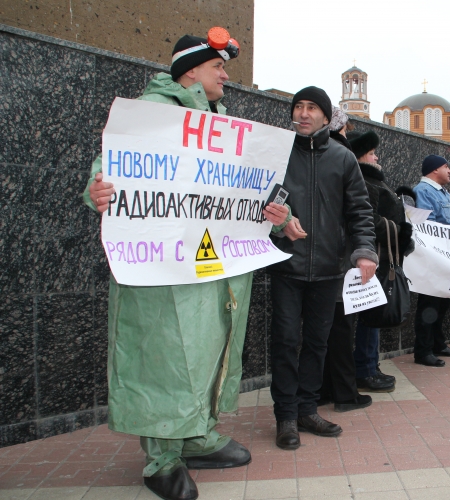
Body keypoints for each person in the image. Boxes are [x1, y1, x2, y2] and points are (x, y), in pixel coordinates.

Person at [84, 31, 292, 500]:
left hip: (215, 275)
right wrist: (96, 191)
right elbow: (109, 168)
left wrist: (280, 217)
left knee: (206, 356)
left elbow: (245, 193)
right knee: (166, 360)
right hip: (164, 276)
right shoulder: (151, 114)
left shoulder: (224, 126)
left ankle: (198, 437)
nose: (225, 76)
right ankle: (162, 459)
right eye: (219, 67)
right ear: (191, 70)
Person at [268, 87, 378, 450]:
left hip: (329, 269)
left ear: (326, 118)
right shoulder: (276, 153)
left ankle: (307, 409)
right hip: (286, 265)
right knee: (285, 342)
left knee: (317, 343)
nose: (303, 113)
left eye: (311, 108)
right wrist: (280, 219)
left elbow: (360, 211)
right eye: (298, 107)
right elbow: (256, 201)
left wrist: (364, 251)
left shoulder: (343, 159)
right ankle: (285, 416)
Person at [316, 108, 376, 413]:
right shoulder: (342, 156)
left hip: (319, 256)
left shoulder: (317, 154)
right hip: (341, 257)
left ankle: (325, 390)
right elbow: (357, 212)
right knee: (341, 329)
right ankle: (345, 393)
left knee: (324, 330)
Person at [349, 130, 416, 392]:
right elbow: (368, 219)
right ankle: (365, 369)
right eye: (372, 152)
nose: (377, 157)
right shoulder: (365, 181)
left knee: (371, 315)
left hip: (379, 258)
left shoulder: (371, 180)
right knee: (370, 315)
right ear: (362, 155)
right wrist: (399, 230)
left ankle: (369, 366)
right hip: (373, 260)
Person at [413, 155, 450, 366]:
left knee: (442, 302)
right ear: (434, 170)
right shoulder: (423, 191)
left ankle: (437, 342)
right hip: (434, 257)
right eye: (446, 166)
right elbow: (427, 225)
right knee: (429, 304)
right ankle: (423, 351)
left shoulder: (443, 193)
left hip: (447, 257)